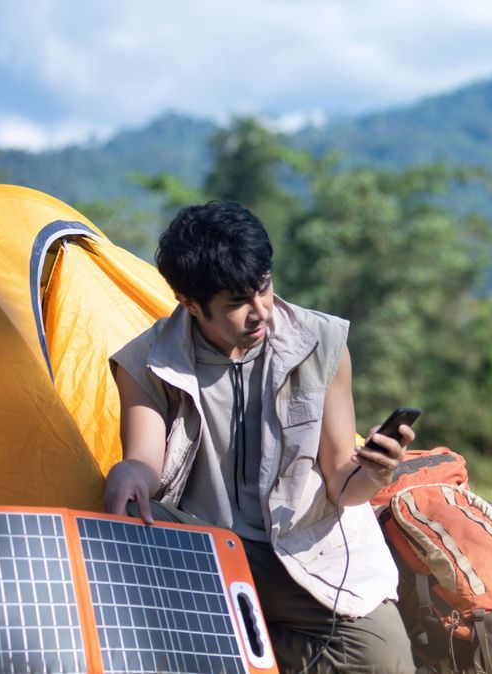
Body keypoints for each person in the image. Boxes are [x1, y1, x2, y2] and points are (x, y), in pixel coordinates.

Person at [103, 200, 416, 673]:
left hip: (306, 549)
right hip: (208, 555)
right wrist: (126, 474)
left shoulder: (323, 342)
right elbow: (143, 461)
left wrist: (373, 471)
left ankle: (245, 646)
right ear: (190, 303)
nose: (260, 312)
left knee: (385, 662)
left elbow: (340, 482)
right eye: (237, 304)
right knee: (129, 510)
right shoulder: (144, 361)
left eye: (264, 289)